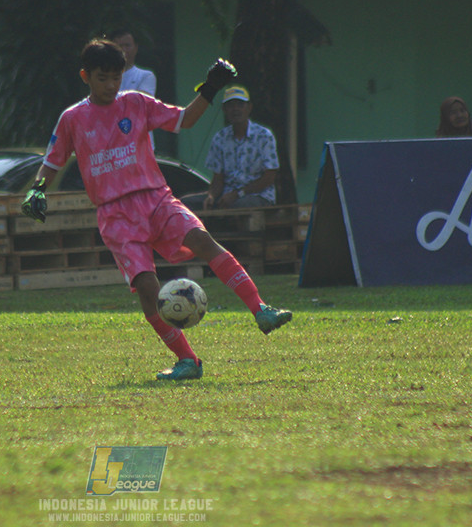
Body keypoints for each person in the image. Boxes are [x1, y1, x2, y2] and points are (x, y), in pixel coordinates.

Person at [22, 39, 292, 381]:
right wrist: (37, 189)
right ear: (85, 76)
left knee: (202, 239)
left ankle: (260, 309)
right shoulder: (72, 119)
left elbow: (185, 120)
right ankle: (188, 361)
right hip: (115, 216)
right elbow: (51, 161)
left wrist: (210, 88)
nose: (110, 86)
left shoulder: (135, 103)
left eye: (116, 78)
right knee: (149, 293)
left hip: (156, 198)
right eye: (102, 78)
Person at [181, 85, 279, 210]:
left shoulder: (264, 136)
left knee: (237, 206)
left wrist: (238, 194)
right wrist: (211, 196)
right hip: (226, 197)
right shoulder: (220, 138)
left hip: (258, 196)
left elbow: (269, 177)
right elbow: (218, 180)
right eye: (231, 105)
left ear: (249, 108)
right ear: (224, 109)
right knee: (183, 204)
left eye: (240, 105)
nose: (235, 109)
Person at [110, 28, 156, 96]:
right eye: (119, 46)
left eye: (127, 45)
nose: (123, 50)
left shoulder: (146, 76)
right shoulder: (103, 76)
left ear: (136, 48)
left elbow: (142, 102)